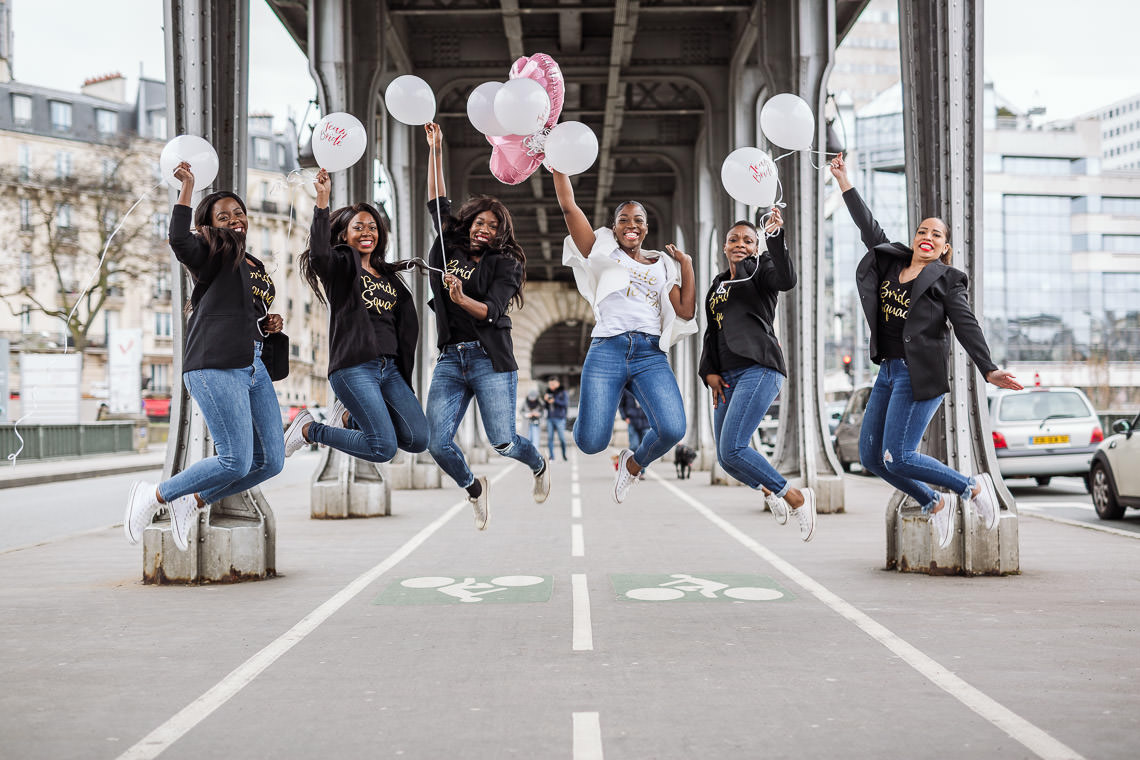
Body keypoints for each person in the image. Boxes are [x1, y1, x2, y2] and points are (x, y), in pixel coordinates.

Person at [829, 152, 1023, 548]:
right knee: (870, 458)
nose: (928, 237)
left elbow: (966, 324)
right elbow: (868, 226)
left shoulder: (948, 280)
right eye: (923, 230)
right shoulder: (890, 261)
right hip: (886, 372)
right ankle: (933, 502)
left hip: (920, 376)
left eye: (937, 235)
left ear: (944, 247)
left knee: (899, 456)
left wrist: (988, 368)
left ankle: (971, 488)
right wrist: (843, 180)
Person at [124, 162, 285, 551]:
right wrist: (188, 188)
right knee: (234, 460)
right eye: (224, 216)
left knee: (271, 461)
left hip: (253, 361)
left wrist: (267, 324)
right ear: (211, 225)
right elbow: (179, 240)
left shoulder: (253, 264)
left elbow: (241, 308)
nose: (235, 220)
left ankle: (193, 501)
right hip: (215, 363)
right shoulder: (214, 248)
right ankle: (154, 495)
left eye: (239, 212)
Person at [423, 122, 549, 529]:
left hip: (488, 359)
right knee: (436, 442)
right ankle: (474, 489)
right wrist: (436, 149)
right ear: (469, 220)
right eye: (480, 220)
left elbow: (494, 310)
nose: (484, 227)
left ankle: (539, 463)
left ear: (500, 233)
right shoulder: (449, 243)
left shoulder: (505, 264)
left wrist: (462, 299)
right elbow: (437, 199)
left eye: (493, 226)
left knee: (503, 440)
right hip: (449, 357)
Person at [552, 169, 697, 503]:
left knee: (673, 429)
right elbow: (569, 208)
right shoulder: (601, 252)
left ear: (647, 227)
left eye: (639, 219)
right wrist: (558, 166)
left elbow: (686, 312)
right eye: (624, 219)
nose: (632, 224)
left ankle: (633, 465)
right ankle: (593, 416)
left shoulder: (662, 264)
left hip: (649, 354)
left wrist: (686, 265)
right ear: (614, 226)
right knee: (591, 443)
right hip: (608, 349)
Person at [283, 169, 429, 464]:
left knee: (417, 438)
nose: (367, 233)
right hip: (355, 367)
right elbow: (319, 255)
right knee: (383, 448)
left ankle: (348, 418)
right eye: (359, 227)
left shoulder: (389, 276)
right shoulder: (340, 266)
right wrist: (322, 200)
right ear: (344, 235)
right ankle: (310, 429)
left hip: (390, 368)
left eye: (373, 227)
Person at [699, 214, 817, 541]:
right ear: (725, 246)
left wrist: (774, 238)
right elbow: (714, 331)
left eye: (748, 240)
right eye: (734, 240)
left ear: (755, 246)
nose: (740, 245)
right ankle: (770, 490)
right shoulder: (718, 284)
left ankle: (794, 496)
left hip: (759, 367)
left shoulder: (761, 271)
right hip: (727, 375)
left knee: (735, 447)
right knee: (726, 458)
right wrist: (708, 370)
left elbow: (786, 279)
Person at [543, 376, 569, 461]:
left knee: (562, 438)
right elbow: (546, 407)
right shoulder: (548, 392)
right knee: (550, 438)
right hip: (550, 418)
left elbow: (565, 404)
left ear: (558, 383)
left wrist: (554, 401)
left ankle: (564, 455)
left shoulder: (563, 392)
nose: (551, 385)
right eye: (550, 384)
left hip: (560, 418)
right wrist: (546, 401)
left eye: (553, 384)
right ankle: (551, 456)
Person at [618, 387, 650, 454]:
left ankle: (640, 464)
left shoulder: (646, 387)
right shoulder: (626, 390)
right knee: (634, 446)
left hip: (645, 422)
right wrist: (624, 417)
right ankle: (631, 463)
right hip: (632, 421)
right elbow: (621, 405)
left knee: (645, 447)